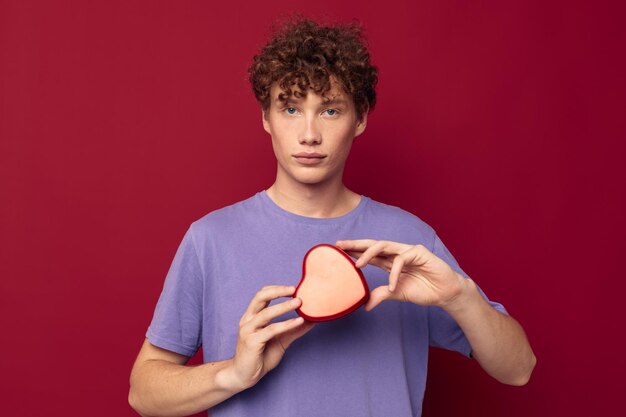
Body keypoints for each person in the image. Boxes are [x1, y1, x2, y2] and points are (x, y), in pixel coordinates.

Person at [128, 18, 536, 417]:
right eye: (290, 109)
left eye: (329, 111)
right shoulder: (210, 239)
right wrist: (233, 375)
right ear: (266, 118)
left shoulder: (409, 240)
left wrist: (459, 296)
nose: (308, 134)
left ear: (359, 119)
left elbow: (519, 370)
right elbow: (144, 394)